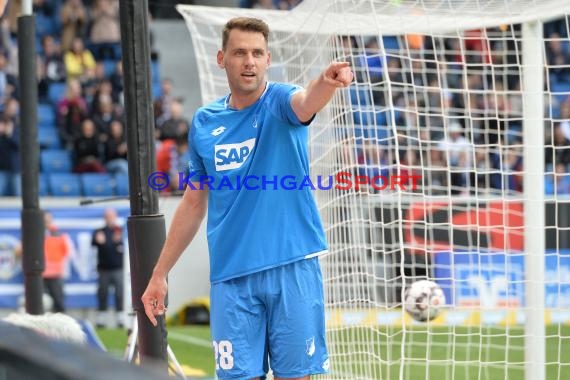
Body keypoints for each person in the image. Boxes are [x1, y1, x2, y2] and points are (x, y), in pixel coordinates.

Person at [142, 17, 353, 379]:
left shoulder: (281, 101)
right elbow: (193, 204)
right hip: (232, 277)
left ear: (268, 59)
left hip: (292, 265)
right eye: (240, 52)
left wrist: (326, 82)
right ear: (222, 58)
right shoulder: (205, 122)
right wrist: (160, 273)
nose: (249, 61)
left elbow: (306, 102)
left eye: (257, 53)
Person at [91, 208, 125, 328]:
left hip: (118, 268)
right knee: (103, 293)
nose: (110, 218)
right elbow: (95, 243)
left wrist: (108, 243)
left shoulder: (120, 230)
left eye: (112, 216)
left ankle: (120, 317)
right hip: (103, 269)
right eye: (107, 216)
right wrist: (101, 242)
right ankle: (102, 317)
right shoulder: (99, 231)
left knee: (119, 293)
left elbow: (120, 245)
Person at [43, 212, 71, 313]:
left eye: (48, 220)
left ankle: (61, 326)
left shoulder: (60, 235)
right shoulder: (34, 234)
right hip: (39, 274)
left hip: (55, 274)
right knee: (40, 304)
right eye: (44, 220)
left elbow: (68, 253)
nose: (46, 222)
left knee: (59, 302)